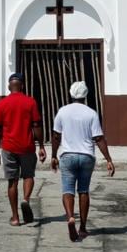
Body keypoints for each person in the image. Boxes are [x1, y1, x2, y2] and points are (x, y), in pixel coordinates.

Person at [50, 81, 115, 242]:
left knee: (67, 190)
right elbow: (98, 138)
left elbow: (56, 135)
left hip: (68, 155)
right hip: (86, 156)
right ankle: (83, 228)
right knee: (83, 191)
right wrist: (108, 159)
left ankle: (71, 217)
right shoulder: (91, 113)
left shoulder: (63, 112)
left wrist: (53, 155)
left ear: (71, 94)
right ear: (85, 95)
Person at [0, 72, 46, 226]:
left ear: (9, 86)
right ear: (22, 86)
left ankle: (15, 218)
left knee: (12, 182)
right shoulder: (30, 102)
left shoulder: (1, 104)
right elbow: (36, 126)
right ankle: (25, 199)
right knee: (28, 176)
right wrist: (41, 146)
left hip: (9, 147)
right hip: (27, 146)